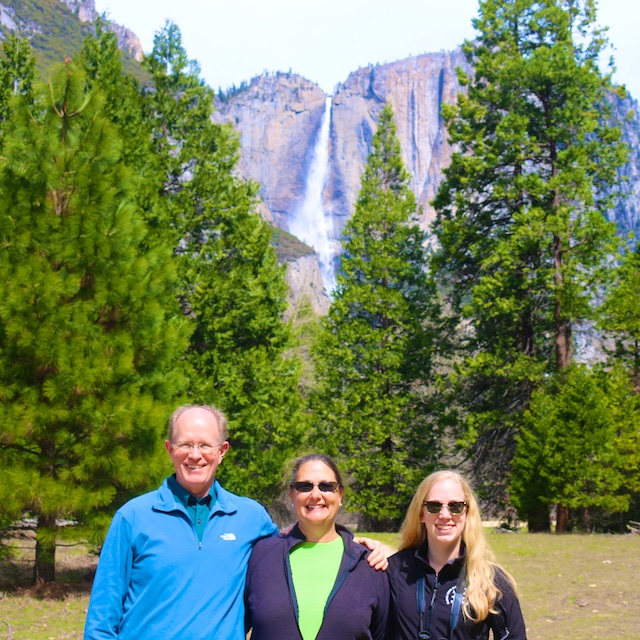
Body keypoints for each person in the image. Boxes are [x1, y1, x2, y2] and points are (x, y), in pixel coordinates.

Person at [84, 405, 386, 640]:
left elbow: (300, 538)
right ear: (169, 449)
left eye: (205, 445)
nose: (195, 455)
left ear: (222, 451)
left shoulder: (250, 517)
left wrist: (356, 545)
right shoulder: (133, 517)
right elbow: (101, 619)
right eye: (185, 444)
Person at [245, 453, 390, 640]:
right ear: (292, 494)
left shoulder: (369, 564)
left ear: (340, 494)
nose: (315, 495)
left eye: (326, 486)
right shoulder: (262, 556)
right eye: (304, 486)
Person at [386, 470, 527, 640]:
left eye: (455, 506)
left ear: (467, 513)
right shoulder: (393, 571)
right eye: (434, 506)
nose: (445, 515)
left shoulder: (491, 580)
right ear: (421, 514)